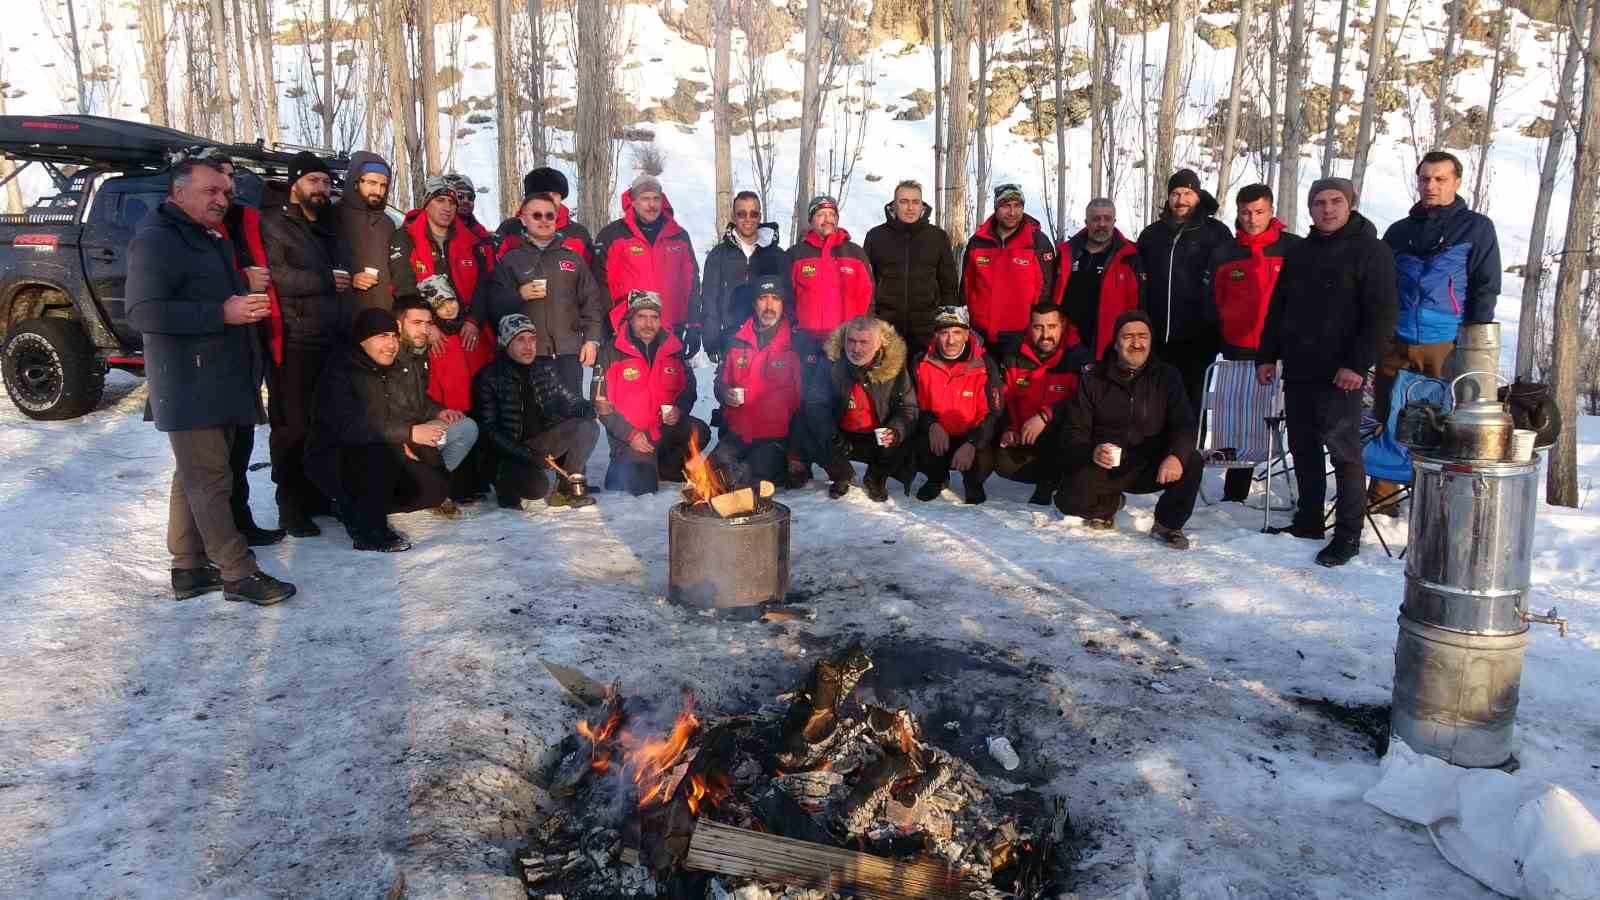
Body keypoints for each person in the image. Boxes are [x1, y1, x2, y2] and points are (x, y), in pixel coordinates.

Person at [126, 157, 296, 605]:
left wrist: (239, 282)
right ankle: (237, 573)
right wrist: (222, 312)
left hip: (219, 377)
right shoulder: (156, 240)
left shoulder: (207, 237)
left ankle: (188, 567)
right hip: (187, 382)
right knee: (210, 481)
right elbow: (143, 311)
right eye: (211, 191)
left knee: (194, 476)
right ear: (178, 192)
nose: (222, 200)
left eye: (226, 192)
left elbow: (199, 287)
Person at [1257, 178, 1398, 568]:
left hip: (1343, 374)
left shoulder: (1372, 251)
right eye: (1319, 202)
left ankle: (1348, 535)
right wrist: (1266, 356)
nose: (1327, 209)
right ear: (1309, 208)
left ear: (1350, 204)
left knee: (1344, 453)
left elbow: (1382, 316)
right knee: (1302, 448)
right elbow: (1278, 309)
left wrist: (1357, 364)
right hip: (1300, 368)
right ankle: (1308, 521)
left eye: (1336, 201)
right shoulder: (1300, 252)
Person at [1372, 150, 1502, 506]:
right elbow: (1381, 286)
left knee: (1443, 421)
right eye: (1425, 178)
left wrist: (1470, 343)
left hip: (1446, 341)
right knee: (1390, 415)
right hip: (1396, 340)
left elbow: (1485, 287)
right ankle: (1383, 499)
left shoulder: (1476, 227)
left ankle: (1439, 499)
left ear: (1456, 182)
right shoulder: (1399, 231)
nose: (1431, 185)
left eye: (1440, 178)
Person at [305, 308, 454, 552]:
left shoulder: (390, 369)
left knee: (434, 489)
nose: (392, 344)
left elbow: (403, 413)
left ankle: (350, 505)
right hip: (333, 457)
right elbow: (349, 428)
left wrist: (418, 447)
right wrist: (408, 434)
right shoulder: (340, 372)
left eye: (395, 336)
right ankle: (369, 531)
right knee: (379, 453)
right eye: (382, 336)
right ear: (362, 339)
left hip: (384, 450)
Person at [260, 150, 352, 537]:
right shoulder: (276, 224)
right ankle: (290, 504)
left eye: (327, 182)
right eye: (314, 180)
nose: (322, 188)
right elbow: (275, 276)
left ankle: (316, 493)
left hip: (330, 339)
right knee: (291, 426)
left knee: (323, 422)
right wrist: (326, 280)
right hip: (294, 342)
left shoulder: (329, 226)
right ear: (295, 183)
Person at [1058, 311, 1203, 548]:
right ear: (1115, 342)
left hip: (1151, 465)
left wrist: (1176, 455)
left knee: (1192, 460)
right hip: (1106, 466)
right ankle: (1109, 505)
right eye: (1128, 336)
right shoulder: (1093, 378)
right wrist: (1092, 451)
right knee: (1068, 501)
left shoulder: (1167, 376)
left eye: (1143, 336)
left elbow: (1185, 423)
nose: (1137, 343)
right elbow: (1074, 430)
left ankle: (1168, 525)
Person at [1203, 183, 1300, 503]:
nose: (1252, 219)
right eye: (1245, 212)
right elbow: (1215, 300)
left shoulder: (1292, 248)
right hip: (1237, 347)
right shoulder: (1225, 253)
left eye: (1259, 212)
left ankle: (1297, 489)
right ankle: (1235, 493)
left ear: (1271, 211)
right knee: (1237, 417)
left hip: (1282, 350)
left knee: (1282, 421)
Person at [209, 156, 287, 547]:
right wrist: (244, 277)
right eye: (217, 179)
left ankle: (241, 520)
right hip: (214, 349)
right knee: (212, 456)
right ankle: (217, 534)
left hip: (251, 340)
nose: (225, 186)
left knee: (242, 441)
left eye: (229, 178)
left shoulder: (247, 218)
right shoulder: (195, 227)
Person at [474, 192, 605, 394]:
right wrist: (519, 295)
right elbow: (494, 306)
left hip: (568, 354)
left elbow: (591, 302)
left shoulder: (573, 259)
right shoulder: (511, 261)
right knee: (534, 422)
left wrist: (592, 340)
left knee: (573, 420)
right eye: (537, 215)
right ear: (523, 219)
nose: (544, 221)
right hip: (528, 356)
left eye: (549, 215)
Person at [473, 314, 601, 509]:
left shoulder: (545, 368)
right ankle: (505, 484)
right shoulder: (489, 376)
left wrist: (589, 407)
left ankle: (566, 489)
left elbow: (570, 400)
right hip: (508, 452)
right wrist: (528, 455)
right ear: (506, 344)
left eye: (532, 339)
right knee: (537, 489)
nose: (528, 346)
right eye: (520, 340)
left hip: (539, 443)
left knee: (587, 427)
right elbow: (490, 432)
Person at [708, 277, 822, 489]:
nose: (769, 306)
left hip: (775, 438)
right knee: (710, 477)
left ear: (783, 304)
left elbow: (805, 406)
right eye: (763, 298)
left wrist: (796, 454)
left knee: (747, 484)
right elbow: (720, 384)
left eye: (775, 299)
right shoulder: (736, 339)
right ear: (754, 303)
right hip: (738, 434)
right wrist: (725, 393)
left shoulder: (797, 343)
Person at [1136, 168, 1233, 415]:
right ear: (1168, 198)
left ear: (1198, 196)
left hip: (1199, 336)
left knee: (1193, 402)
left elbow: (1227, 282)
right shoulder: (1152, 234)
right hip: (1157, 336)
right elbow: (1139, 280)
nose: (1181, 200)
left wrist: (1216, 322)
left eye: (1188, 193)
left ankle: (1189, 452)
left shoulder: (1216, 233)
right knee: (1156, 402)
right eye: (1176, 193)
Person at [595, 291, 710, 495]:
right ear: (630, 318)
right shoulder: (610, 352)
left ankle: (662, 468)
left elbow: (688, 389)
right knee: (645, 486)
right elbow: (602, 406)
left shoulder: (673, 348)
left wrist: (679, 409)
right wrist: (630, 435)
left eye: (654, 317)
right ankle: (626, 469)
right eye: (642, 317)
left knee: (700, 431)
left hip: (662, 430)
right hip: (631, 436)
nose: (648, 324)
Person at [993, 303, 1094, 506]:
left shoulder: (1079, 358)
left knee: (1065, 430)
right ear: (1029, 327)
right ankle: (1053, 475)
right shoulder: (1013, 355)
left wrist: (1046, 415)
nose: (1045, 334)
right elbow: (1007, 397)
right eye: (1038, 327)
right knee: (1001, 462)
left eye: (1052, 326)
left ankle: (1051, 482)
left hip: (1063, 437)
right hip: (1027, 437)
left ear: (1063, 325)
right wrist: (1010, 428)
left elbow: (1087, 401)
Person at [592, 173, 702, 354]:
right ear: (633, 201)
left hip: (672, 328)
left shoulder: (679, 236)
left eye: (656, 199)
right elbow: (600, 284)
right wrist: (608, 324)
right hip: (627, 330)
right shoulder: (612, 235)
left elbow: (691, 282)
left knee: (674, 382)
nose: (651, 205)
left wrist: (694, 323)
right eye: (645, 199)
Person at [391, 176, 490, 372]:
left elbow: (483, 284)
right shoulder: (406, 237)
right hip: (429, 330)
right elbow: (404, 284)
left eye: (452, 202)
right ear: (426, 203)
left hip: (466, 328)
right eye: (440, 200)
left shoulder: (470, 240)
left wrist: (474, 321)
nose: (447, 207)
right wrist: (428, 325)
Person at [815, 315, 917, 501]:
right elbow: (816, 403)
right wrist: (830, 432)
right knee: (816, 432)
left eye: (864, 342)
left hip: (877, 435)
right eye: (851, 341)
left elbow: (908, 407)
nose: (856, 348)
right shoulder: (830, 364)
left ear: (878, 344)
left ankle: (876, 478)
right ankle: (841, 475)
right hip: (842, 434)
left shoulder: (894, 367)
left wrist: (895, 430)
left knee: (900, 438)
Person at [911, 306, 1002, 505]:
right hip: (938, 431)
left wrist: (971, 442)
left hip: (971, 434)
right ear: (936, 335)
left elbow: (994, 413)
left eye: (957, 332)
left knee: (983, 458)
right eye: (944, 333)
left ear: (967, 334)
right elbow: (913, 405)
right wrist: (932, 425)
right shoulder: (921, 362)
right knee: (921, 445)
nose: (950, 340)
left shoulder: (984, 364)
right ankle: (936, 478)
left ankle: (973, 484)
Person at [394, 295, 481, 488]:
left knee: (466, 428)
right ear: (398, 324)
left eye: (427, 323)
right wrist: (407, 435)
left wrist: (438, 411)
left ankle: (433, 485)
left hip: (418, 432)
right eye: (416, 323)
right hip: (393, 438)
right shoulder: (388, 354)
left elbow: (419, 397)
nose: (424, 330)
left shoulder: (418, 353)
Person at [863, 180, 959, 351]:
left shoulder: (937, 237)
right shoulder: (875, 237)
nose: (910, 208)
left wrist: (946, 324)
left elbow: (949, 286)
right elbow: (865, 285)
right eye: (904, 201)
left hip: (927, 330)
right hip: (886, 330)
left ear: (922, 205)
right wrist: (871, 321)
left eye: (915, 202)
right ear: (893, 205)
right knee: (887, 377)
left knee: (924, 377)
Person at [962, 183, 1057, 351]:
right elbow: (966, 286)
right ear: (996, 208)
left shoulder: (1037, 242)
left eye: (1017, 206)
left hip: (1020, 336)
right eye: (1006, 206)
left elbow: (1046, 290)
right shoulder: (977, 241)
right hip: (980, 334)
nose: (1012, 212)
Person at [701, 190, 788, 361]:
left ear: (760, 217)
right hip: (730, 339)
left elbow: (787, 298)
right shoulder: (718, 255)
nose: (748, 219)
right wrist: (711, 341)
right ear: (733, 217)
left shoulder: (777, 255)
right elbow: (710, 300)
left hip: (769, 341)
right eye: (742, 214)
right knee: (730, 387)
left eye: (753, 213)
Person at [1053, 197, 1144, 360]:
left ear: (1114, 221)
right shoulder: (1067, 253)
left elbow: (1138, 305)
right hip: (1066, 345)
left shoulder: (1130, 257)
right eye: (1096, 219)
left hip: (1110, 347)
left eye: (1107, 219)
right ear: (1086, 221)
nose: (1101, 224)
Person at [789, 195, 874, 343]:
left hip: (847, 341)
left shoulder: (855, 254)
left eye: (832, 214)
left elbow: (868, 298)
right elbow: (786, 298)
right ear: (811, 220)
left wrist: (861, 333)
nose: (827, 219)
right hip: (806, 342)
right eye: (820, 214)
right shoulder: (795, 255)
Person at [334, 151, 398, 315]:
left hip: (383, 315)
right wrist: (351, 278)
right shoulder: (332, 216)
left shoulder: (388, 224)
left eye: (383, 185)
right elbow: (318, 264)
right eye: (371, 182)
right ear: (356, 182)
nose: (378, 190)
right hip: (345, 314)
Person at [494, 166, 594, 264]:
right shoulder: (510, 229)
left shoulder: (578, 234)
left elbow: (589, 276)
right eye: (544, 194)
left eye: (555, 194)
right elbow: (495, 272)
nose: (551, 199)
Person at [443, 173, 492, 242]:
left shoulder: (479, 233)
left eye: (470, 197)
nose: (466, 201)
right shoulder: (439, 231)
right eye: (460, 197)